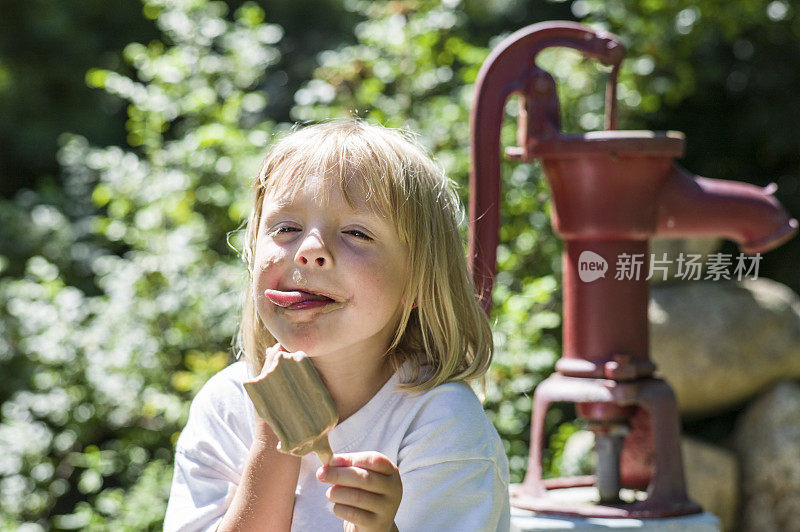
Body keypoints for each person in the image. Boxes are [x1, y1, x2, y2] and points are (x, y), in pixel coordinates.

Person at [164, 120, 510, 531]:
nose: (310, 251)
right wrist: (275, 440)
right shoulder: (225, 406)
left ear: (419, 280)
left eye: (356, 233)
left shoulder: (440, 422)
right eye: (286, 228)